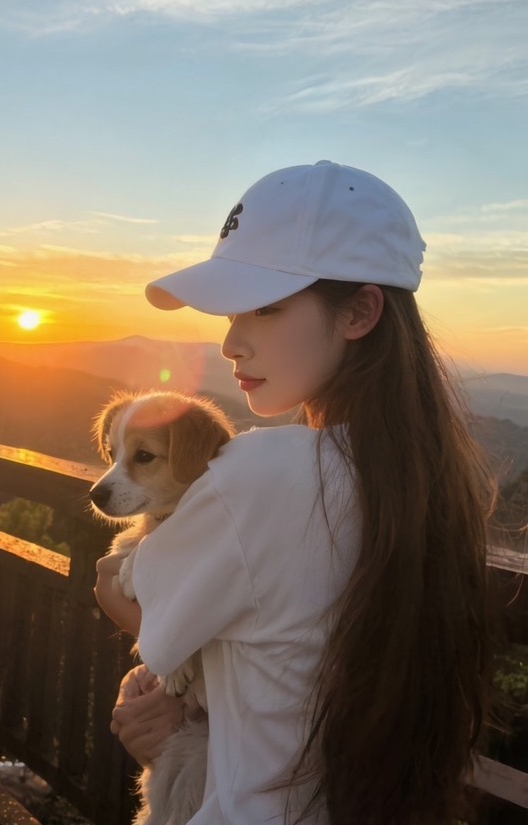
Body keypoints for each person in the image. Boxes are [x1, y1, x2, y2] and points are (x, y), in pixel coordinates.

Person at [94, 161, 496, 825]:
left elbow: (117, 588)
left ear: (360, 312)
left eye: (265, 307)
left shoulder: (262, 475)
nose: (231, 342)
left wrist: (172, 684)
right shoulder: (423, 483)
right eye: (233, 312)